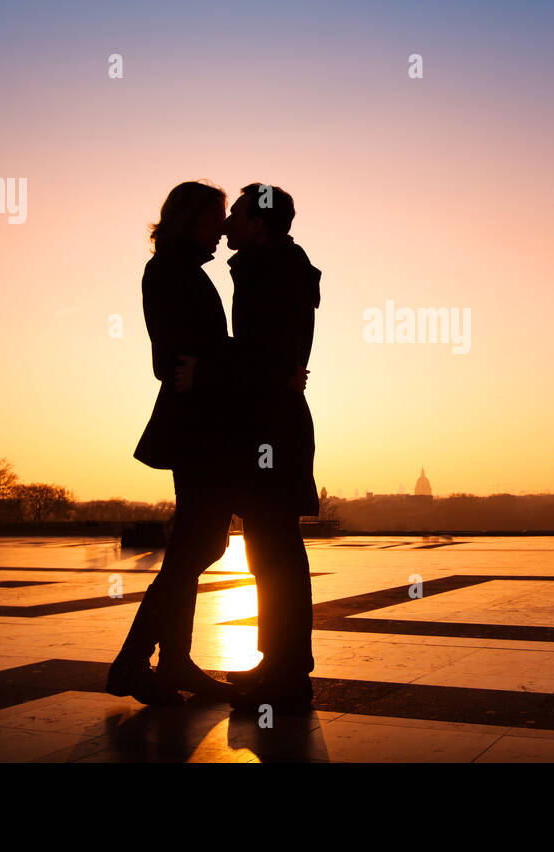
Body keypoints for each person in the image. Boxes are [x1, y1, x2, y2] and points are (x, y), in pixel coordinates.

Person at [107, 181, 237, 707]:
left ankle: (160, 663)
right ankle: (144, 662)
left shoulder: (175, 269)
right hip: (199, 425)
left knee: (196, 546)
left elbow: (189, 354)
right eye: (215, 218)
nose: (222, 228)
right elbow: (172, 359)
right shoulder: (173, 273)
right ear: (191, 221)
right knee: (196, 546)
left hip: (199, 422)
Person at [209, 183, 321, 713]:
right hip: (272, 423)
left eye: (235, 214)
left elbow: (265, 356)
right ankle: (280, 663)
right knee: (270, 549)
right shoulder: (275, 268)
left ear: (257, 223)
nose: (227, 223)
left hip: (270, 428)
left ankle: (286, 670)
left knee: (273, 550)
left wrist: (210, 366)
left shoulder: (271, 272)